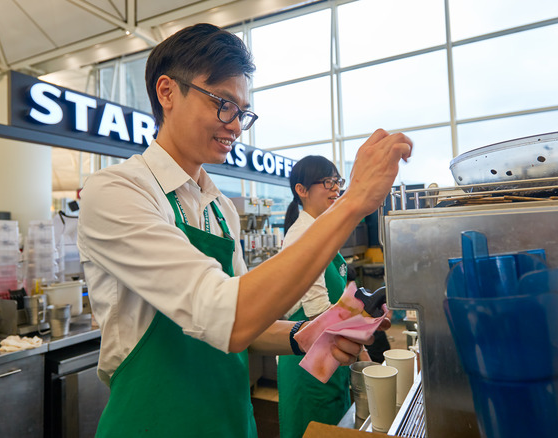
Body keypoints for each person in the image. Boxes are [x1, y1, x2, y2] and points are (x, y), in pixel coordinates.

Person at [77, 23, 412, 437]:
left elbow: (244, 326)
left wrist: (303, 334)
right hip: (152, 423)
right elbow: (228, 317)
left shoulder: (220, 208)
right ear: (167, 92)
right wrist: (353, 202)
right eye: (223, 104)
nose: (235, 125)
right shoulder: (118, 191)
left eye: (242, 113)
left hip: (230, 421)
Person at [277, 155, 366, 438]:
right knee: (314, 428)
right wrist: (359, 339)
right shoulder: (302, 233)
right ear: (301, 190)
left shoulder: (320, 230)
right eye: (327, 182)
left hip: (331, 352)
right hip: (309, 360)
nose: (335, 188)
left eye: (337, 181)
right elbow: (317, 311)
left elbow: (335, 299)